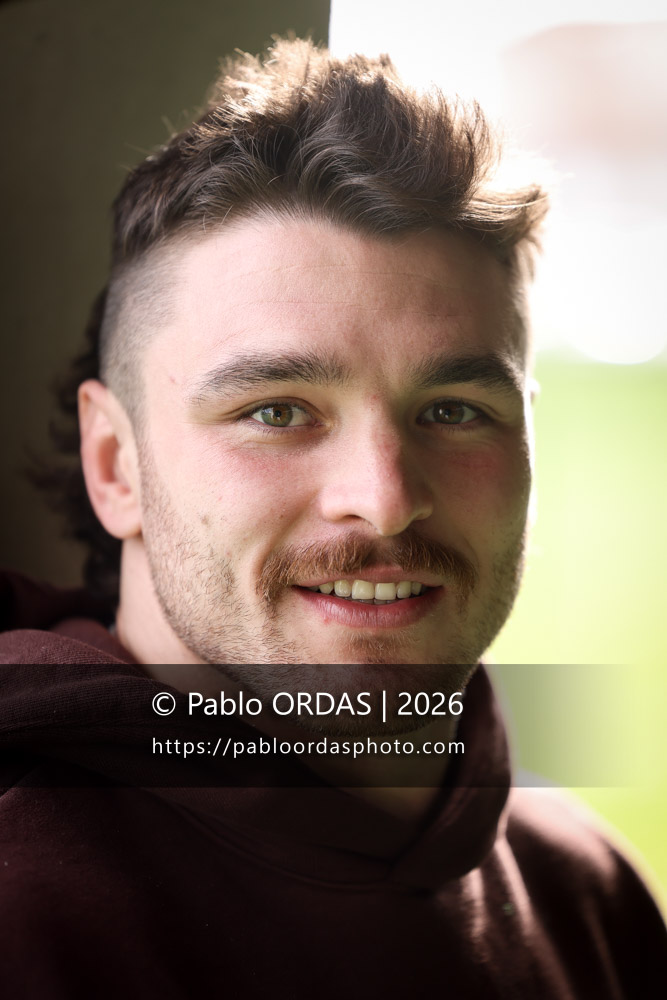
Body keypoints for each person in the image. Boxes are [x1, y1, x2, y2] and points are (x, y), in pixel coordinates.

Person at [1, 37, 665, 999]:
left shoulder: (591, 895)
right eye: (275, 411)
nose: (387, 496)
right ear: (116, 465)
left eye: (452, 411)